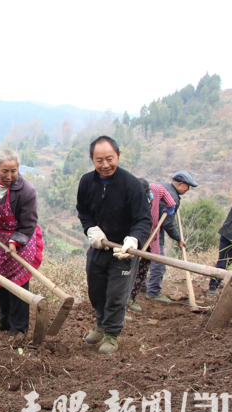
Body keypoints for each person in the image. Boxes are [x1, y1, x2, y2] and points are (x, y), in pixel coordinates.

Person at [76, 136, 151, 353]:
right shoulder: (86, 182)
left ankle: (111, 334)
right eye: (99, 160)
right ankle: (100, 324)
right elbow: (83, 211)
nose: (105, 164)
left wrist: (133, 240)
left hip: (123, 251)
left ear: (118, 156)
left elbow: (143, 219)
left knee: (117, 295)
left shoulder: (132, 185)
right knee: (97, 291)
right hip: (99, 247)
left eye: (110, 158)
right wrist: (91, 229)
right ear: (92, 159)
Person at [0, 150, 43, 343]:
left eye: (14, 171)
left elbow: (28, 223)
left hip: (21, 238)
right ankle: (4, 318)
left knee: (18, 285)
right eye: (4, 171)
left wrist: (15, 242)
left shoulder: (26, 191)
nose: (9, 176)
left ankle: (19, 329)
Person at [127, 178, 177, 316]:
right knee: (126, 269)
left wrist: (170, 207)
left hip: (151, 239)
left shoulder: (155, 189)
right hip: (131, 239)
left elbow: (167, 198)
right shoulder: (129, 200)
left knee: (141, 269)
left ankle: (131, 298)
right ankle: (120, 300)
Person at [145, 171, 198, 303]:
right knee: (159, 262)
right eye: (187, 186)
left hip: (143, 227)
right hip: (154, 230)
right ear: (180, 184)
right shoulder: (172, 197)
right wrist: (179, 239)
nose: (187, 190)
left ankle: (140, 286)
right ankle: (153, 292)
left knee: (144, 258)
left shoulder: (163, 186)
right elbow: (168, 223)